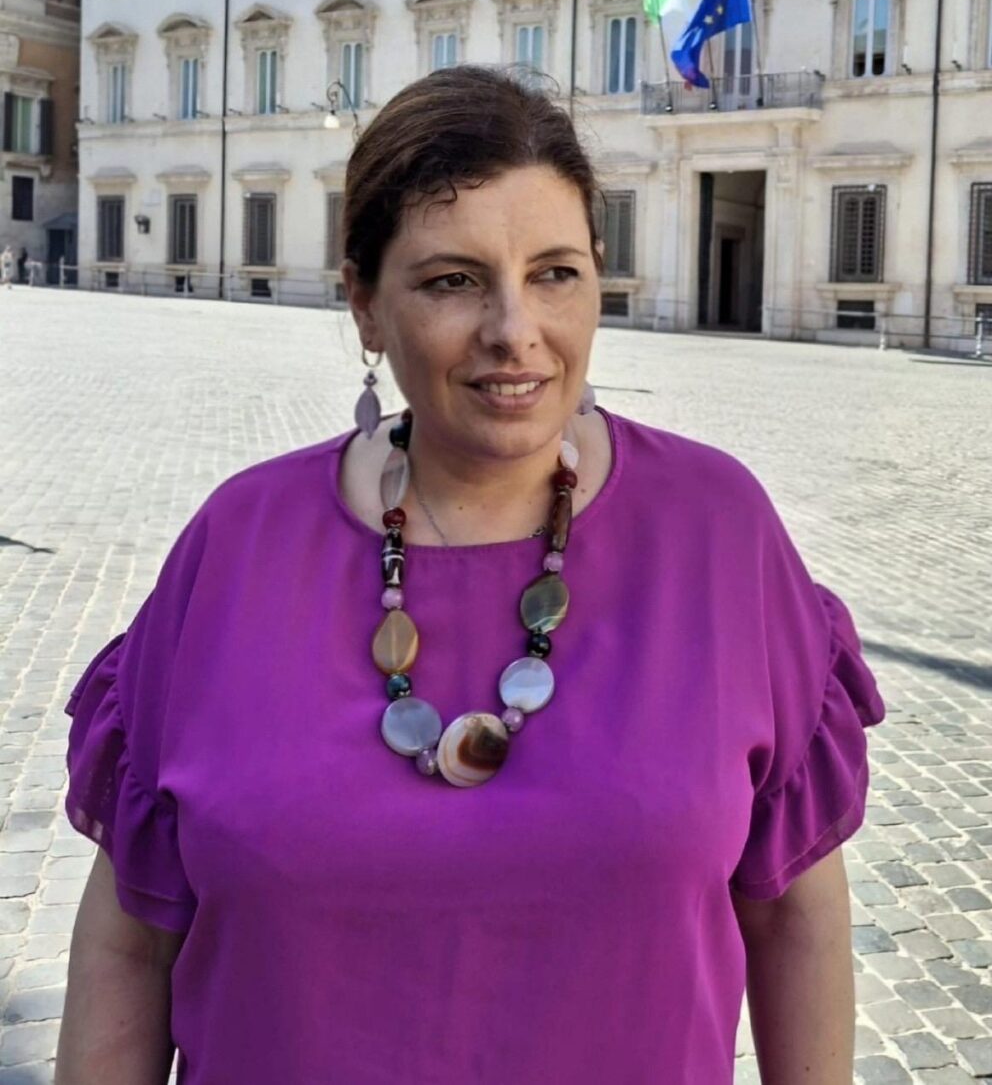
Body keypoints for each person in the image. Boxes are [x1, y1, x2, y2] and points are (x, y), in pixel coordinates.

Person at [57, 65, 886, 1085]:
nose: (514, 330)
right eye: (453, 280)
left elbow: (794, 915)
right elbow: (131, 942)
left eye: (555, 273)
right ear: (364, 305)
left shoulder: (719, 533)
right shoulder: (235, 545)